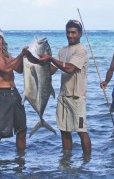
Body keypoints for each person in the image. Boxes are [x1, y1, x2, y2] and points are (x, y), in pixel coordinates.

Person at [39, 19, 91, 155]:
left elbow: (70, 68)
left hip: (77, 99)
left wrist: (50, 58)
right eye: (68, 32)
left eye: (73, 32)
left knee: (81, 131)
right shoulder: (63, 51)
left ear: (80, 33)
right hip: (63, 97)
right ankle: (66, 161)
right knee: (64, 130)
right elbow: (50, 70)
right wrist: (35, 62)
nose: (70, 35)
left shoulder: (81, 51)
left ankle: (87, 161)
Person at [0, 27, 29, 159]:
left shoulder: (7, 55)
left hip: (15, 93)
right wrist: (21, 54)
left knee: (22, 129)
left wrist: (26, 57)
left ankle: (21, 159)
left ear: (2, 39)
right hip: (2, 94)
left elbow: (19, 70)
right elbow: (5, 69)